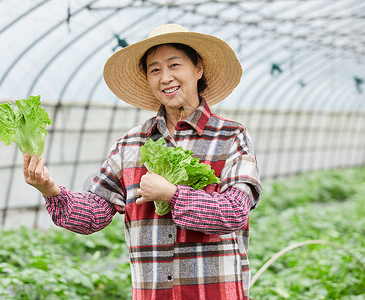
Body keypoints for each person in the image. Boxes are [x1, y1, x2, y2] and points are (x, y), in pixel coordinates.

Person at [23, 24, 262, 300]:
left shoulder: (230, 137)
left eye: (174, 65)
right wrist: (51, 190)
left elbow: (234, 212)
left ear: (198, 69)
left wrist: (172, 195)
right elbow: (94, 214)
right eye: (155, 70)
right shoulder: (131, 144)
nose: (165, 77)